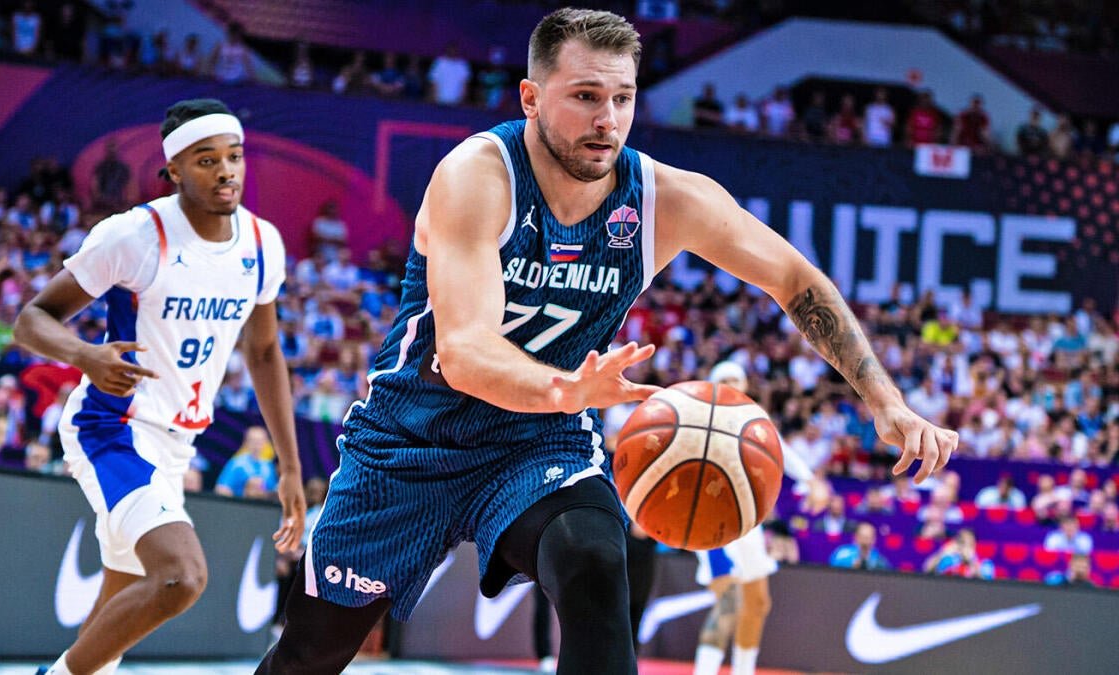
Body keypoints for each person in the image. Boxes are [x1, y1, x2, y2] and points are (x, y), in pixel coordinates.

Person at [259, 10, 956, 675]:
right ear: (531, 97)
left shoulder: (663, 198)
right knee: (310, 655)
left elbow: (795, 278)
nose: (608, 119)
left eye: (623, 98)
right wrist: (566, 388)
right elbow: (464, 353)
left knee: (595, 559)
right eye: (586, 96)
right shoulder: (478, 175)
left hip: (539, 442)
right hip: (411, 439)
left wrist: (885, 399)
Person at [16, 99, 306, 675]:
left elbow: (264, 351)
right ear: (173, 170)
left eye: (234, 156)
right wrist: (84, 355)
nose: (225, 171)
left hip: (178, 443)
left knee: (112, 621)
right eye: (206, 160)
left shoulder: (261, 243)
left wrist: (291, 467)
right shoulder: (135, 235)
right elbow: (32, 319)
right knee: (181, 577)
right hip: (113, 428)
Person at [693, 361, 816, 675]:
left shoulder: (754, 418)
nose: (732, 383)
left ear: (746, 385)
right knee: (728, 601)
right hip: (709, 519)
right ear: (713, 385)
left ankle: (743, 670)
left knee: (758, 603)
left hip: (747, 519)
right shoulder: (698, 416)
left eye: (736, 379)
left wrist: (811, 480)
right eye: (725, 379)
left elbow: (781, 451)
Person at [214, 426, 279, 499]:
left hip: (262, 504)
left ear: (266, 442)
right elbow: (221, 488)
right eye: (253, 441)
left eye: (260, 441)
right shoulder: (237, 463)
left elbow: (272, 489)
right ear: (246, 442)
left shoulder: (268, 466)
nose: (257, 445)